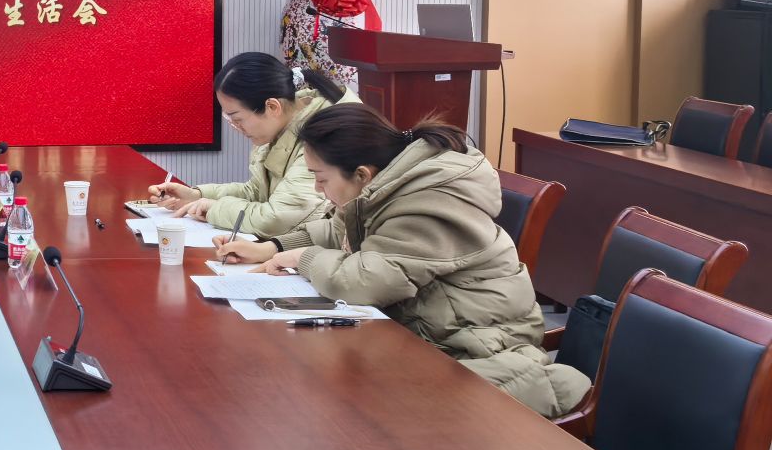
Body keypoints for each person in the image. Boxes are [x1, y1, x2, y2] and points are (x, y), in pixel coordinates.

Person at [216, 105, 589, 419]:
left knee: (339, 405)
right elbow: (344, 232)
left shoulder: (428, 202)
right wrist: (273, 246)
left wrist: (303, 257)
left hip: (478, 347)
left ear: (362, 174)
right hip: (429, 333)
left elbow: (365, 281)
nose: (318, 189)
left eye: (321, 178)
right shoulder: (387, 187)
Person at [146, 52, 351, 238]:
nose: (236, 127)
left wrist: (214, 208)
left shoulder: (326, 136)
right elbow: (259, 192)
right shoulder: (281, 124)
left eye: (237, 119)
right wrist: (197, 195)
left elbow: (277, 219)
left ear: (272, 107)